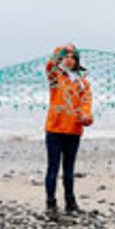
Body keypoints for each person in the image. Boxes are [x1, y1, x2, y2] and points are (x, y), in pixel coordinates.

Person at [43, 44, 93, 219]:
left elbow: (86, 105)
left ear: (77, 61)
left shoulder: (83, 83)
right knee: (53, 168)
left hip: (74, 130)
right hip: (55, 129)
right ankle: (51, 204)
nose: (69, 60)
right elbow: (49, 65)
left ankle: (71, 203)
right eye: (66, 57)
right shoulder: (56, 78)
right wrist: (60, 50)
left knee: (69, 169)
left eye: (73, 57)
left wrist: (87, 117)